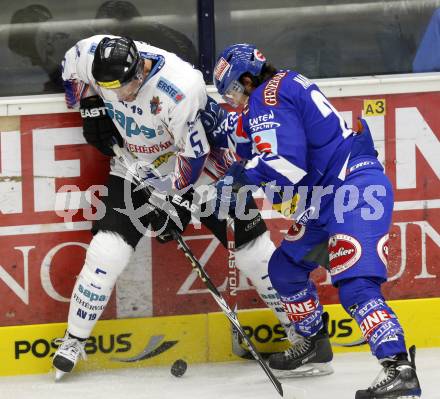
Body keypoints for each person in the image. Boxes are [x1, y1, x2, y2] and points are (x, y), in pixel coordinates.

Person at [52, 35, 291, 379]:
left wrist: (172, 203)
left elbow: (194, 159)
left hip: (207, 166)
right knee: (107, 252)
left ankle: (304, 333)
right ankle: (73, 340)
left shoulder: (180, 87)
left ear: (139, 70)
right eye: (110, 90)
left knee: (254, 250)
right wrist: (89, 106)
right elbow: (71, 71)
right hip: (135, 164)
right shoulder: (91, 54)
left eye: (125, 88)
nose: (119, 97)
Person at [210, 43, 422, 398]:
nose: (234, 99)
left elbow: (286, 165)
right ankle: (313, 344)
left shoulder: (267, 97)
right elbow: (263, 146)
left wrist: (239, 179)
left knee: (356, 285)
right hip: (327, 198)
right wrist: (238, 166)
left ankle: (399, 368)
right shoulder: (280, 88)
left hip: (354, 192)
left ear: (248, 78)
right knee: (286, 268)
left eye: (233, 89)